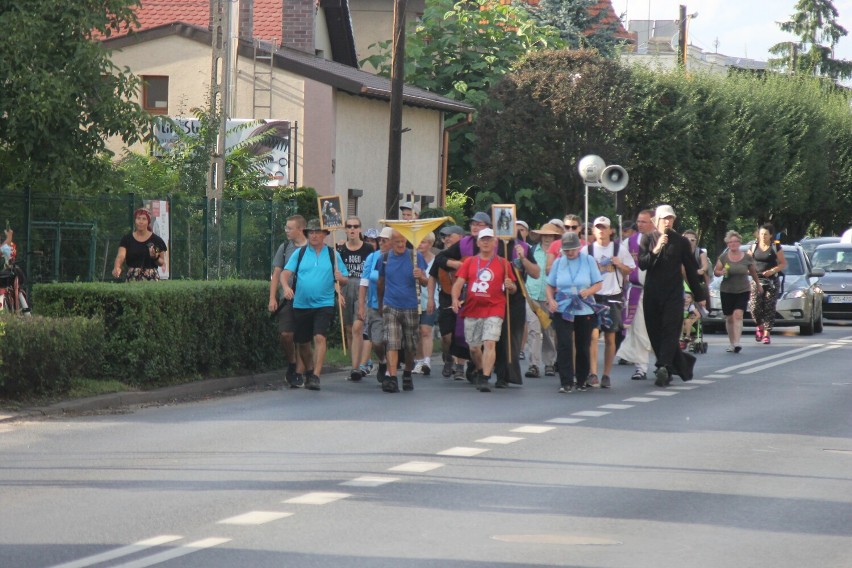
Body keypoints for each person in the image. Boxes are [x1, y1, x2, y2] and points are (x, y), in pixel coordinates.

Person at [639, 204, 706, 387]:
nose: (667, 222)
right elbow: (643, 264)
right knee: (655, 332)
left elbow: (691, 270)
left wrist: (700, 295)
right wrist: (656, 249)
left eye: (671, 218)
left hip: (673, 293)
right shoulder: (647, 239)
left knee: (670, 329)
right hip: (652, 293)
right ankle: (679, 365)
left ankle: (663, 366)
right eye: (664, 218)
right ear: (656, 221)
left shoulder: (681, 242)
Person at [280, 218, 349, 391]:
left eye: (318, 232)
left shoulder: (333, 254)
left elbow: (344, 279)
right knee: (303, 342)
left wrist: (341, 279)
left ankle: (316, 375)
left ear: (325, 235)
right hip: (301, 304)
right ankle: (309, 371)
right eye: (311, 232)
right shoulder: (300, 253)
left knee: (319, 337)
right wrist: (286, 287)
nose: (314, 235)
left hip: (324, 303)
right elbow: (285, 273)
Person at [451, 228, 518, 392]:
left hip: (495, 307)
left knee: (489, 342)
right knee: (474, 348)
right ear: (478, 242)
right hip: (472, 308)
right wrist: (454, 299)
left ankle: (486, 377)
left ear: (495, 242)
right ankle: (481, 370)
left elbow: (514, 289)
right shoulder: (470, 262)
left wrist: (511, 286)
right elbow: (458, 283)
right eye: (483, 239)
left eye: (489, 239)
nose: (486, 242)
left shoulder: (504, 262)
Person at [546, 231, 603, 393]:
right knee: (564, 344)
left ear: (579, 248)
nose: (570, 253)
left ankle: (582, 378)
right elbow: (550, 284)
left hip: (583, 307)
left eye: (572, 249)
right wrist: (551, 300)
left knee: (583, 344)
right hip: (563, 307)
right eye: (567, 250)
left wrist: (588, 291)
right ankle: (566, 381)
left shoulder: (588, 260)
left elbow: (598, 283)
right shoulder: (558, 262)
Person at [586, 216, 635, 389]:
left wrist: (619, 264)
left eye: (604, 227)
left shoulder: (618, 249)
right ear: (593, 231)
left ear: (610, 230)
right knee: (592, 336)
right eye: (598, 227)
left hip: (612, 296)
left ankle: (606, 374)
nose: (601, 230)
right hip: (593, 297)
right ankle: (593, 373)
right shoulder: (588, 250)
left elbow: (630, 270)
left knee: (610, 337)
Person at [377, 230, 428, 393]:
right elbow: (381, 282)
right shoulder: (384, 259)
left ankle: (407, 372)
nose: (400, 245)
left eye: (403, 242)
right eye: (397, 241)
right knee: (391, 341)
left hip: (411, 305)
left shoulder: (415, 257)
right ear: (390, 242)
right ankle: (392, 378)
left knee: (410, 343)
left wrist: (420, 276)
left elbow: (426, 282)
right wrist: (380, 303)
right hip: (390, 304)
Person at [269, 214, 308, 387]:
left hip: (307, 299)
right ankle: (292, 362)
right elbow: (276, 274)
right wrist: (272, 298)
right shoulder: (285, 247)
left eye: (290, 228)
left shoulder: (313, 248)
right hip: (288, 298)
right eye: (286, 227)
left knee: (301, 337)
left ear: (300, 229)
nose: (286, 231)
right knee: (286, 334)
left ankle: (298, 373)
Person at [617, 210, 655, 381]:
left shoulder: (660, 240)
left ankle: (665, 362)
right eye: (638, 221)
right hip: (637, 292)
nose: (639, 224)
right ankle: (641, 367)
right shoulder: (628, 242)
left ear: (653, 222)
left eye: (644, 221)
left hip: (656, 292)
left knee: (656, 328)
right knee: (639, 329)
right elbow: (622, 266)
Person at [335, 217, 374, 381]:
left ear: (360, 229)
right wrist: (338, 291)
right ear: (345, 229)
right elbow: (336, 275)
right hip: (346, 287)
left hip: (362, 287)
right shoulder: (340, 250)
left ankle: (358, 367)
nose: (352, 229)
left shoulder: (368, 249)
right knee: (350, 329)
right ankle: (357, 362)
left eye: (355, 226)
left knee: (359, 326)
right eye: (349, 226)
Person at [713, 230, 762, 353]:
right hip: (727, 290)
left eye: (735, 242)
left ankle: (737, 343)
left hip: (742, 290)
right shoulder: (723, 257)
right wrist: (721, 272)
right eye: (730, 242)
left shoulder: (746, 257)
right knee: (729, 318)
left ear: (739, 243)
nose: (733, 244)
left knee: (738, 315)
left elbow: (753, 272)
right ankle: (731, 342)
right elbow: (716, 271)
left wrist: (758, 284)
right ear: (727, 244)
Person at [427, 225, 466, 379]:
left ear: (461, 237)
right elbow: (432, 277)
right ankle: (448, 356)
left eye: (451, 235)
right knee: (446, 337)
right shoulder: (441, 257)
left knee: (461, 335)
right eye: (445, 236)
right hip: (445, 298)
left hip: (464, 298)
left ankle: (460, 367)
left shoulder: (467, 255)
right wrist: (430, 298)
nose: (447, 239)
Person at [525, 223, 562, 378]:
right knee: (534, 330)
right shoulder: (532, 250)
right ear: (540, 236)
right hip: (531, 294)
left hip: (550, 297)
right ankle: (533, 365)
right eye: (545, 235)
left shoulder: (559, 253)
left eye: (551, 236)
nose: (548, 238)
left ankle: (549, 363)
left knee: (548, 332)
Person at [359, 227, 394, 384]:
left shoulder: (398, 258)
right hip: (375, 305)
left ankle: (391, 372)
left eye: (385, 240)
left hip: (395, 305)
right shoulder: (372, 258)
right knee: (377, 342)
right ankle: (382, 361)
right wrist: (361, 305)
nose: (381, 243)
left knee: (392, 341)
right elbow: (364, 282)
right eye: (380, 240)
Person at [748, 224, 787, 344]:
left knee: (769, 306)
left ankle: (766, 333)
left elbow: (782, 263)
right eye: (761, 234)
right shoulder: (754, 246)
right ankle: (759, 325)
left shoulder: (775, 246)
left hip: (771, 280)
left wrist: (772, 271)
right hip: (756, 280)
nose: (763, 236)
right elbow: (747, 261)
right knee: (754, 306)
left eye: (765, 234)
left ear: (770, 235)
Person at [112, 208, 168, 281]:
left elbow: (161, 262)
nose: (141, 221)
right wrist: (117, 267)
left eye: (144, 219)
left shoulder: (156, 240)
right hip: (132, 277)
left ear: (148, 222)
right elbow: (121, 256)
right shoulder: (127, 239)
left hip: (151, 278)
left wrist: (155, 257)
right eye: (138, 218)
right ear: (135, 220)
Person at [413, 232, 437, 376]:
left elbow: (432, 281)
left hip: (430, 299)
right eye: (419, 241)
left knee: (426, 330)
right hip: (413, 300)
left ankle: (427, 360)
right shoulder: (412, 258)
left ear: (430, 244)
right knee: (416, 332)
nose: (421, 245)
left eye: (424, 242)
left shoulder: (436, 260)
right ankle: (418, 361)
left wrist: (422, 277)